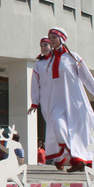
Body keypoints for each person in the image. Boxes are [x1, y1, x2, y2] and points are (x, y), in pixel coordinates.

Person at [43, 27, 94, 172]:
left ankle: (78, 160)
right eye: (50, 37)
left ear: (62, 38)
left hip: (74, 101)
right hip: (57, 103)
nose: (51, 40)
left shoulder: (73, 57)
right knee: (59, 128)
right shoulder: (48, 61)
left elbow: (85, 75)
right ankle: (67, 157)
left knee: (79, 130)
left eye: (54, 37)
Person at [28, 36, 67, 170]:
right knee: (52, 127)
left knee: (61, 125)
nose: (44, 47)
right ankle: (58, 158)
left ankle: (70, 155)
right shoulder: (39, 64)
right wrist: (34, 102)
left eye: (46, 45)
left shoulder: (59, 59)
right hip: (46, 101)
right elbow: (35, 84)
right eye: (42, 45)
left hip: (61, 99)